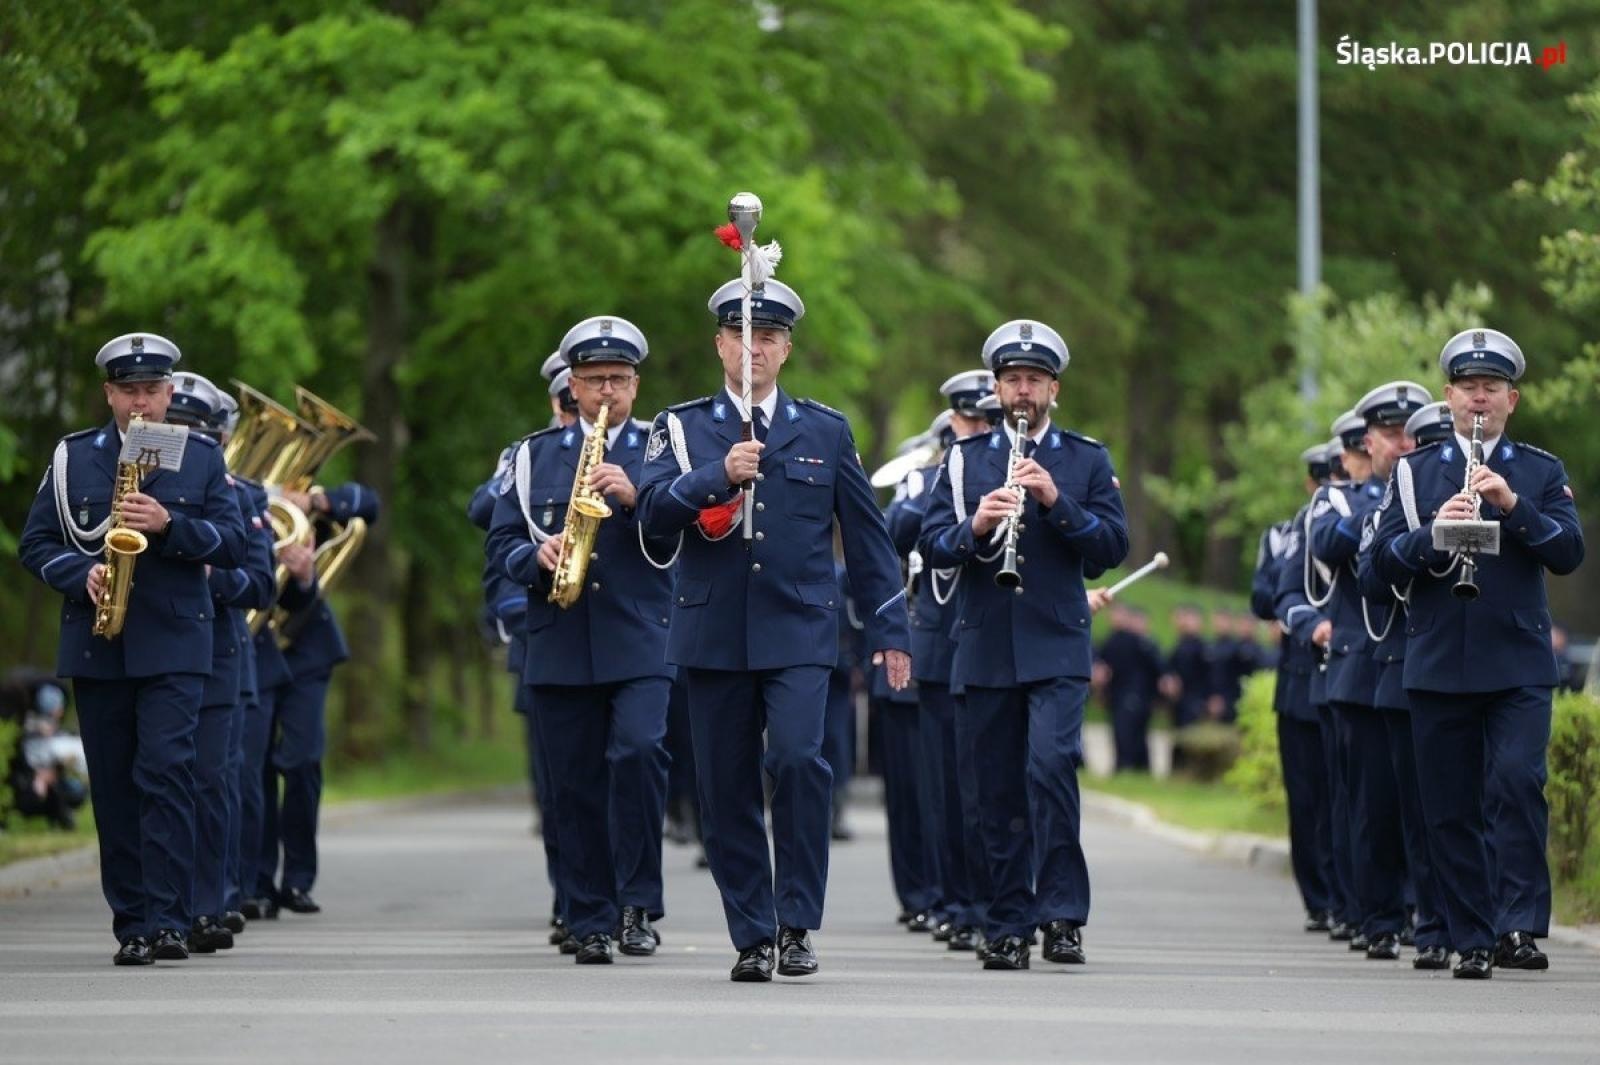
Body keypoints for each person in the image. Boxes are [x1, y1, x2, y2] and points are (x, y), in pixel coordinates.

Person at [636, 275, 911, 982]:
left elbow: (869, 537)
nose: (753, 348)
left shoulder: (825, 429)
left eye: (767, 336)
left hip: (799, 629)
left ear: (785, 348)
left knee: (796, 759)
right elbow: (650, 517)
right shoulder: (680, 426)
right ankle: (752, 932)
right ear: (719, 343)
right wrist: (713, 475)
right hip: (713, 632)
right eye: (740, 335)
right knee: (723, 788)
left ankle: (796, 922)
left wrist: (891, 629)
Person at [19, 332, 248, 966]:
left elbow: (232, 544)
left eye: (152, 390)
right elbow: (35, 544)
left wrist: (171, 526)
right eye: (129, 391)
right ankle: (134, 924)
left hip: (176, 640)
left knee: (167, 771)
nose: (141, 404)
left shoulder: (199, 457)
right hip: (98, 643)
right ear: (109, 394)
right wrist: (79, 574)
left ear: (170, 392)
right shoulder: (73, 459)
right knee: (116, 785)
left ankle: (171, 918)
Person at [1366, 328, 1583, 978]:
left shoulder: (1541, 470)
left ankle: (1519, 926)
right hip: (1437, 662)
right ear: (1449, 396)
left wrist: (1511, 506)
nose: (1479, 399)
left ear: (1512, 399)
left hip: (1516, 661)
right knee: (1450, 806)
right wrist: (1435, 535)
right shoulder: (1413, 470)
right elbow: (1378, 568)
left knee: (1517, 783)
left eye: (1491, 389)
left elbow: (1568, 553)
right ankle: (1472, 935)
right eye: (1468, 388)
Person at [917, 319, 1130, 970]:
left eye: (1033, 380)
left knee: (1049, 768)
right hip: (983, 646)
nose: (1022, 390)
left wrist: (1057, 501)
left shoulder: (1086, 458)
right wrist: (976, 525)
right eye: (1011, 379)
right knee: (996, 791)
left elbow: (1110, 548)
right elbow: (931, 543)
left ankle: (1062, 913)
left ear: (1053, 389)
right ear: (996, 386)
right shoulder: (962, 459)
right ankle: (1005, 921)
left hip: (1057, 644)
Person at [487, 315, 675, 964]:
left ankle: (636, 903)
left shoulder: (662, 449)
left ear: (635, 385)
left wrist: (638, 498)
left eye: (618, 381)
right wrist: (535, 559)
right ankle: (587, 915)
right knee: (572, 783)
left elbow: (688, 538)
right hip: (559, 637)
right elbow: (501, 541)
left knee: (640, 753)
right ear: (571, 383)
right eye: (593, 380)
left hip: (642, 638)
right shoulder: (533, 454)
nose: (605, 393)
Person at [164, 372, 277, 952]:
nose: (180, 440)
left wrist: (210, 571)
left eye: (193, 432)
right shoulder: (134, 489)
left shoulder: (242, 494)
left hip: (215, 653)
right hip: (155, 649)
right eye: (172, 429)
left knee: (210, 780)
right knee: (160, 778)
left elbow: (260, 584)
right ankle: (164, 906)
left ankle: (211, 902)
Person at [885, 371, 996, 947]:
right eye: (969, 420)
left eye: (986, 419)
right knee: (945, 788)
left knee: (992, 783)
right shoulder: (928, 477)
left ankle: (994, 900)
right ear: (953, 422)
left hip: (995, 640)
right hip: (938, 646)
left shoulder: (1012, 471)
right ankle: (955, 901)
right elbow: (895, 532)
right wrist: (934, 483)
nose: (978, 429)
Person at [260, 479, 380, 916]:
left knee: (302, 760)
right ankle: (255, 883)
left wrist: (313, 502)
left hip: (305, 647)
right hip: (253, 646)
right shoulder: (227, 484)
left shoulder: (297, 486)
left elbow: (368, 503)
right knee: (251, 766)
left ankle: (297, 879)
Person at [1257, 442, 1338, 932]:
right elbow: (1265, 594)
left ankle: (1355, 895)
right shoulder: (1286, 535)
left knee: (1346, 797)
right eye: (1323, 480)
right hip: (1301, 678)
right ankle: (1320, 899)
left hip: (1348, 672)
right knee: (1307, 798)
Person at [1096, 605, 1163, 772]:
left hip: (1133, 693)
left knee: (1131, 731)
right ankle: (1124, 765)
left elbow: (1155, 667)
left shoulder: (1137, 641)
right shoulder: (1110, 640)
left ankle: (1131, 766)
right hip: (1117, 694)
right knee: (1120, 731)